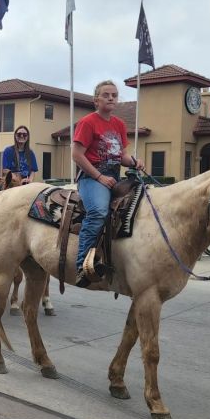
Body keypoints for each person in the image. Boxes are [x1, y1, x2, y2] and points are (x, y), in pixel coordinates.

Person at [72, 80, 144, 287]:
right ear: (96, 100)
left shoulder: (119, 124)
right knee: (98, 212)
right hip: (92, 178)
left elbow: (120, 155)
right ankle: (82, 267)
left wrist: (134, 162)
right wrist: (99, 177)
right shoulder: (87, 122)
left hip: (114, 177)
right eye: (106, 95)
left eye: (114, 94)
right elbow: (76, 155)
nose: (111, 98)